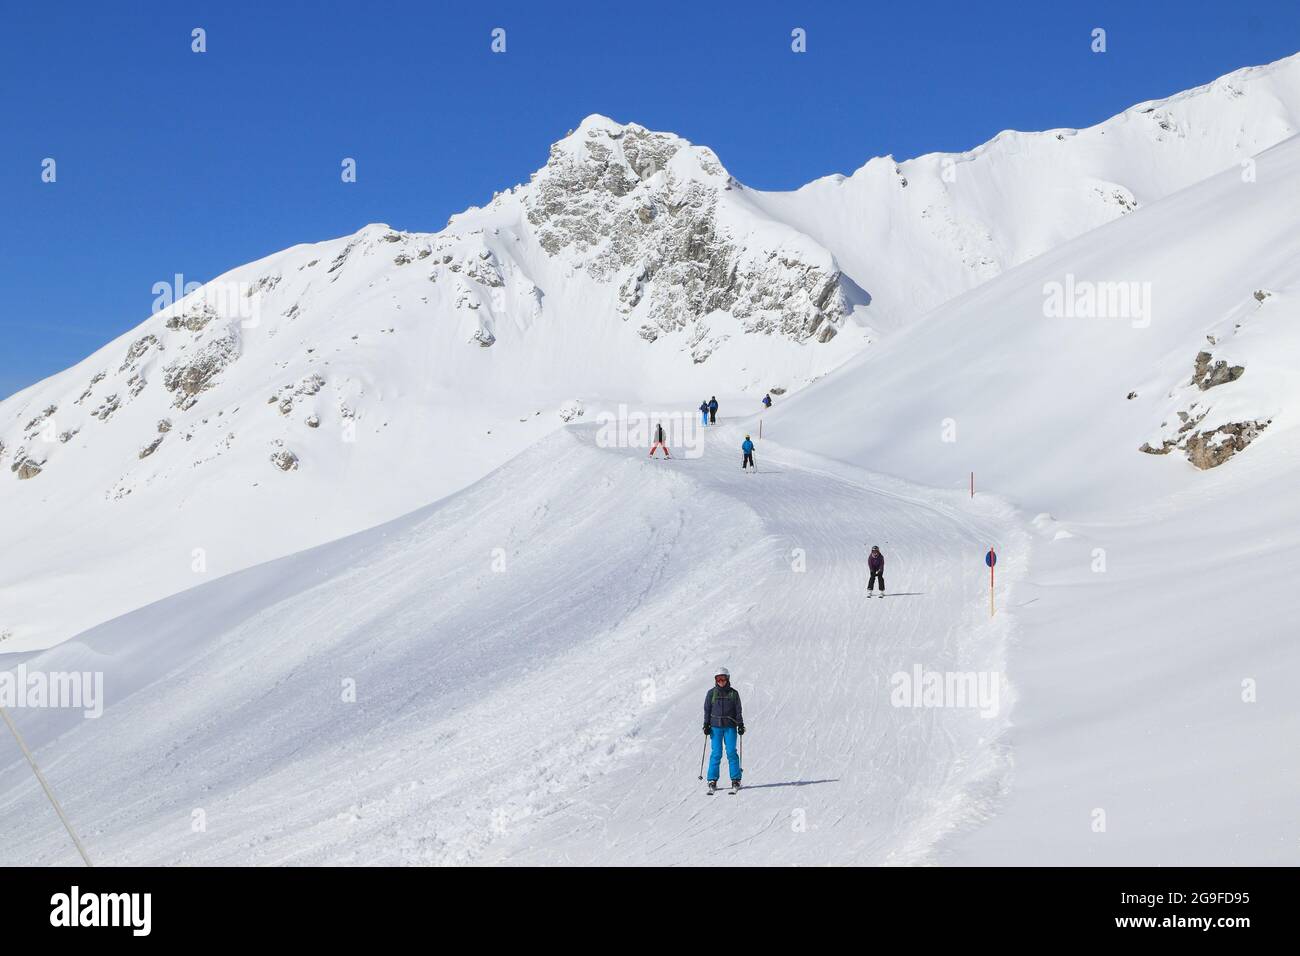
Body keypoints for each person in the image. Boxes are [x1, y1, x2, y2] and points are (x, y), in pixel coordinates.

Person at [703, 668, 744, 792]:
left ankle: (736, 779)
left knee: (731, 752)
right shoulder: (711, 693)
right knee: (716, 753)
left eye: (723, 679)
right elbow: (707, 710)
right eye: (718, 679)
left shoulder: (733, 694)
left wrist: (740, 724)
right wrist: (706, 724)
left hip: (730, 727)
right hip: (715, 728)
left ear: (728, 679)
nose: (721, 681)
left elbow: (738, 710)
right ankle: (712, 779)